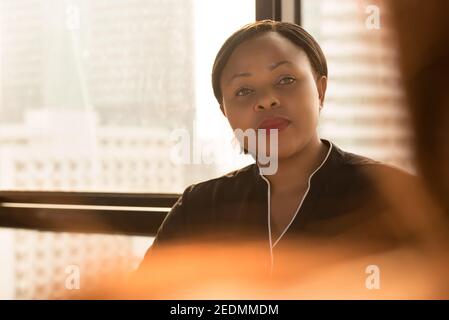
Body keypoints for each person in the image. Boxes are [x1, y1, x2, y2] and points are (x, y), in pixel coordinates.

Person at [136, 20, 409, 276]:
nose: (267, 100)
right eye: (243, 90)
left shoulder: (395, 197)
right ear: (225, 112)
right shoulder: (197, 209)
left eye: (285, 80)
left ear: (320, 91)